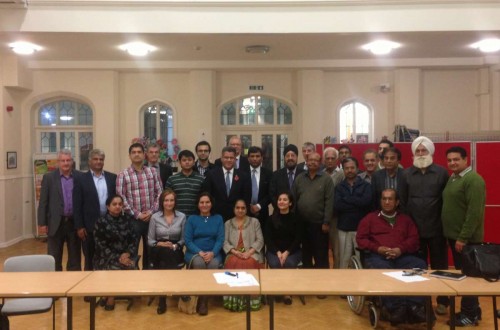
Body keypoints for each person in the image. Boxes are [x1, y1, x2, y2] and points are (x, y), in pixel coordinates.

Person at [356, 188, 430, 326]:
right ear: (380, 201)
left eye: (390, 199)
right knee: (384, 270)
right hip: (378, 257)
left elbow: (414, 239)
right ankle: (396, 308)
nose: (387, 202)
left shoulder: (406, 220)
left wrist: (400, 249)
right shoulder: (370, 219)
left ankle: (415, 306)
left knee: (419, 265)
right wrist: (378, 249)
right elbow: (360, 239)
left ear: (397, 202)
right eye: (384, 199)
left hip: (402, 256)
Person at [399, 136, 449, 315]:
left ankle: (443, 301)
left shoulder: (442, 173)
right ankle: (418, 302)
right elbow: (403, 203)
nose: (421, 154)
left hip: (436, 229)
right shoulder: (405, 174)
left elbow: (446, 201)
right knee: (416, 267)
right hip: (414, 230)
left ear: (430, 152)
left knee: (440, 267)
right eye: (418, 151)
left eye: (424, 151)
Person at [442, 146, 485, 326]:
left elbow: (474, 212)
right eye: (450, 160)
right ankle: (475, 310)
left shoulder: (473, 180)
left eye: (456, 159)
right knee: (466, 275)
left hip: (466, 241)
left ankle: (469, 315)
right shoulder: (454, 178)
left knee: (468, 277)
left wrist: (463, 238)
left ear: (466, 159)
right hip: (455, 238)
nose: (452, 163)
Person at [117, 143, 162, 270]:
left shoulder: (153, 172)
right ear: (129, 156)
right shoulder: (123, 175)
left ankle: (149, 277)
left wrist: (151, 212)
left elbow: (159, 193)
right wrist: (138, 214)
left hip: (151, 218)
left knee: (151, 250)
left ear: (144, 155)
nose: (136, 154)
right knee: (132, 251)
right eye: (133, 152)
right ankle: (133, 278)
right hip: (132, 219)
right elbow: (121, 198)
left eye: (139, 152)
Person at [37, 149, 82, 272]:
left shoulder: (80, 176)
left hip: (74, 223)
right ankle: (55, 285)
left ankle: (74, 284)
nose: (66, 163)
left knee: (75, 257)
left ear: (72, 161)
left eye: (68, 160)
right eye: (63, 161)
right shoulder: (49, 178)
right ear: (58, 162)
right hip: (55, 222)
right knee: (54, 257)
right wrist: (42, 223)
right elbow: (43, 202)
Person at [73, 149, 117, 272]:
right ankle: (90, 287)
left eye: (101, 159)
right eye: (95, 159)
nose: (98, 162)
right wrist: (79, 226)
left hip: (109, 224)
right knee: (90, 258)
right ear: (89, 161)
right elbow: (77, 204)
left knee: (110, 256)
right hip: (89, 227)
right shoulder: (81, 179)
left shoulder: (112, 178)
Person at [93, 194, 138, 311]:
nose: (117, 207)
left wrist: (127, 253)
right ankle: (111, 297)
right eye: (114, 204)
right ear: (108, 206)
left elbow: (134, 239)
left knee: (131, 266)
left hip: (125, 255)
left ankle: (107, 294)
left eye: (120, 204)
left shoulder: (127, 219)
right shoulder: (101, 221)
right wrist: (118, 257)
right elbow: (100, 244)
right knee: (115, 268)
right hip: (106, 256)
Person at [184, 192, 224, 316]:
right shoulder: (192, 219)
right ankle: (201, 298)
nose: (204, 205)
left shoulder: (218, 218)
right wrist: (199, 252)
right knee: (199, 263)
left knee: (213, 265)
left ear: (211, 204)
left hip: (213, 252)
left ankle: (203, 301)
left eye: (207, 202)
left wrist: (213, 253)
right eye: (202, 202)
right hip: (194, 253)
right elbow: (188, 240)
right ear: (198, 204)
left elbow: (220, 239)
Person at [293, 152, 334, 271]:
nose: (312, 162)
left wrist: (326, 222)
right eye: (310, 160)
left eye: (316, 160)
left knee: (320, 256)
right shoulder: (300, 178)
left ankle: (322, 285)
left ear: (320, 162)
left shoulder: (326, 179)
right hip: (302, 224)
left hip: (320, 225)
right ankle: (307, 284)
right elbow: (294, 199)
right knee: (305, 255)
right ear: (306, 161)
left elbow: (329, 201)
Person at [148, 189, 186, 315]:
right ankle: (179, 290)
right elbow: (150, 240)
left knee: (165, 261)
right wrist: (161, 243)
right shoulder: (155, 217)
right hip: (158, 248)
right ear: (162, 202)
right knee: (164, 253)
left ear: (175, 202)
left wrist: (175, 246)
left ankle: (162, 299)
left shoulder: (182, 217)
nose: (169, 203)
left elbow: (183, 239)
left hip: (175, 248)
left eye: (171, 200)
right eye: (166, 200)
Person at [223, 200, 264, 312]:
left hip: (252, 253)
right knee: (234, 262)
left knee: (249, 263)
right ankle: (235, 301)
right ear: (234, 209)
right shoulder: (228, 223)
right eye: (237, 208)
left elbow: (260, 240)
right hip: (234, 253)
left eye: (243, 208)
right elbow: (225, 242)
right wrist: (235, 252)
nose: (240, 210)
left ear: (246, 209)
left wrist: (249, 252)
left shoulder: (254, 222)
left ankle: (250, 301)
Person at [264, 192, 302, 305]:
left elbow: (298, 239)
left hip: (292, 251)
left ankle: (286, 292)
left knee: (289, 263)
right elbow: (268, 239)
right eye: (280, 199)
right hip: (274, 251)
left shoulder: (297, 218)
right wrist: (278, 252)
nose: (281, 202)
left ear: (290, 203)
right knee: (275, 263)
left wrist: (286, 252)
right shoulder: (271, 219)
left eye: (285, 200)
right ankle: (277, 290)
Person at [334, 157, 372, 269]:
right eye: (347, 168)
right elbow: (338, 205)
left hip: (361, 229)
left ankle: (362, 283)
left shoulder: (366, 186)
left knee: (361, 259)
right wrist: (356, 202)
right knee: (343, 261)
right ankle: (343, 284)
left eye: (352, 168)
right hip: (343, 228)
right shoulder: (339, 187)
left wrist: (347, 198)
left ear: (357, 168)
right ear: (343, 170)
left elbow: (366, 203)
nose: (349, 170)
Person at [202, 146, 251, 221]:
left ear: (235, 159)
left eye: (231, 158)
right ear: (221, 158)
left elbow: (246, 198)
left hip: (237, 217)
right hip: (215, 216)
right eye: (226, 157)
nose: (229, 160)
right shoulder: (211, 174)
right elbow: (207, 195)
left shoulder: (243, 176)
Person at [166, 150, 205, 216]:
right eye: (184, 160)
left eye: (189, 160)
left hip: (196, 216)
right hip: (176, 217)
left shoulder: (202, 179)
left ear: (193, 162)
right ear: (180, 162)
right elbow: (166, 199)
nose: (187, 162)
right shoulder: (171, 179)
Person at [323, 147, 343, 269]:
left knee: (337, 250)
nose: (330, 160)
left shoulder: (342, 173)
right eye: (327, 158)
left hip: (336, 218)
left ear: (337, 159)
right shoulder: (321, 173)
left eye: (332, 158)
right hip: (321, 217)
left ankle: (337, 276)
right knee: (322, 249)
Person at [247, 146, 273, 228]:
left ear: (262, 158)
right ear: (248, 158)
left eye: (257, 156)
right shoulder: (241, 173)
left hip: (262, 213)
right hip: (245, 212)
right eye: (252, 156)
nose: (255, 159)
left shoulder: (268, 174)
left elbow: (270, 193)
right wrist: (249, 206)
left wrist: (259, 206)